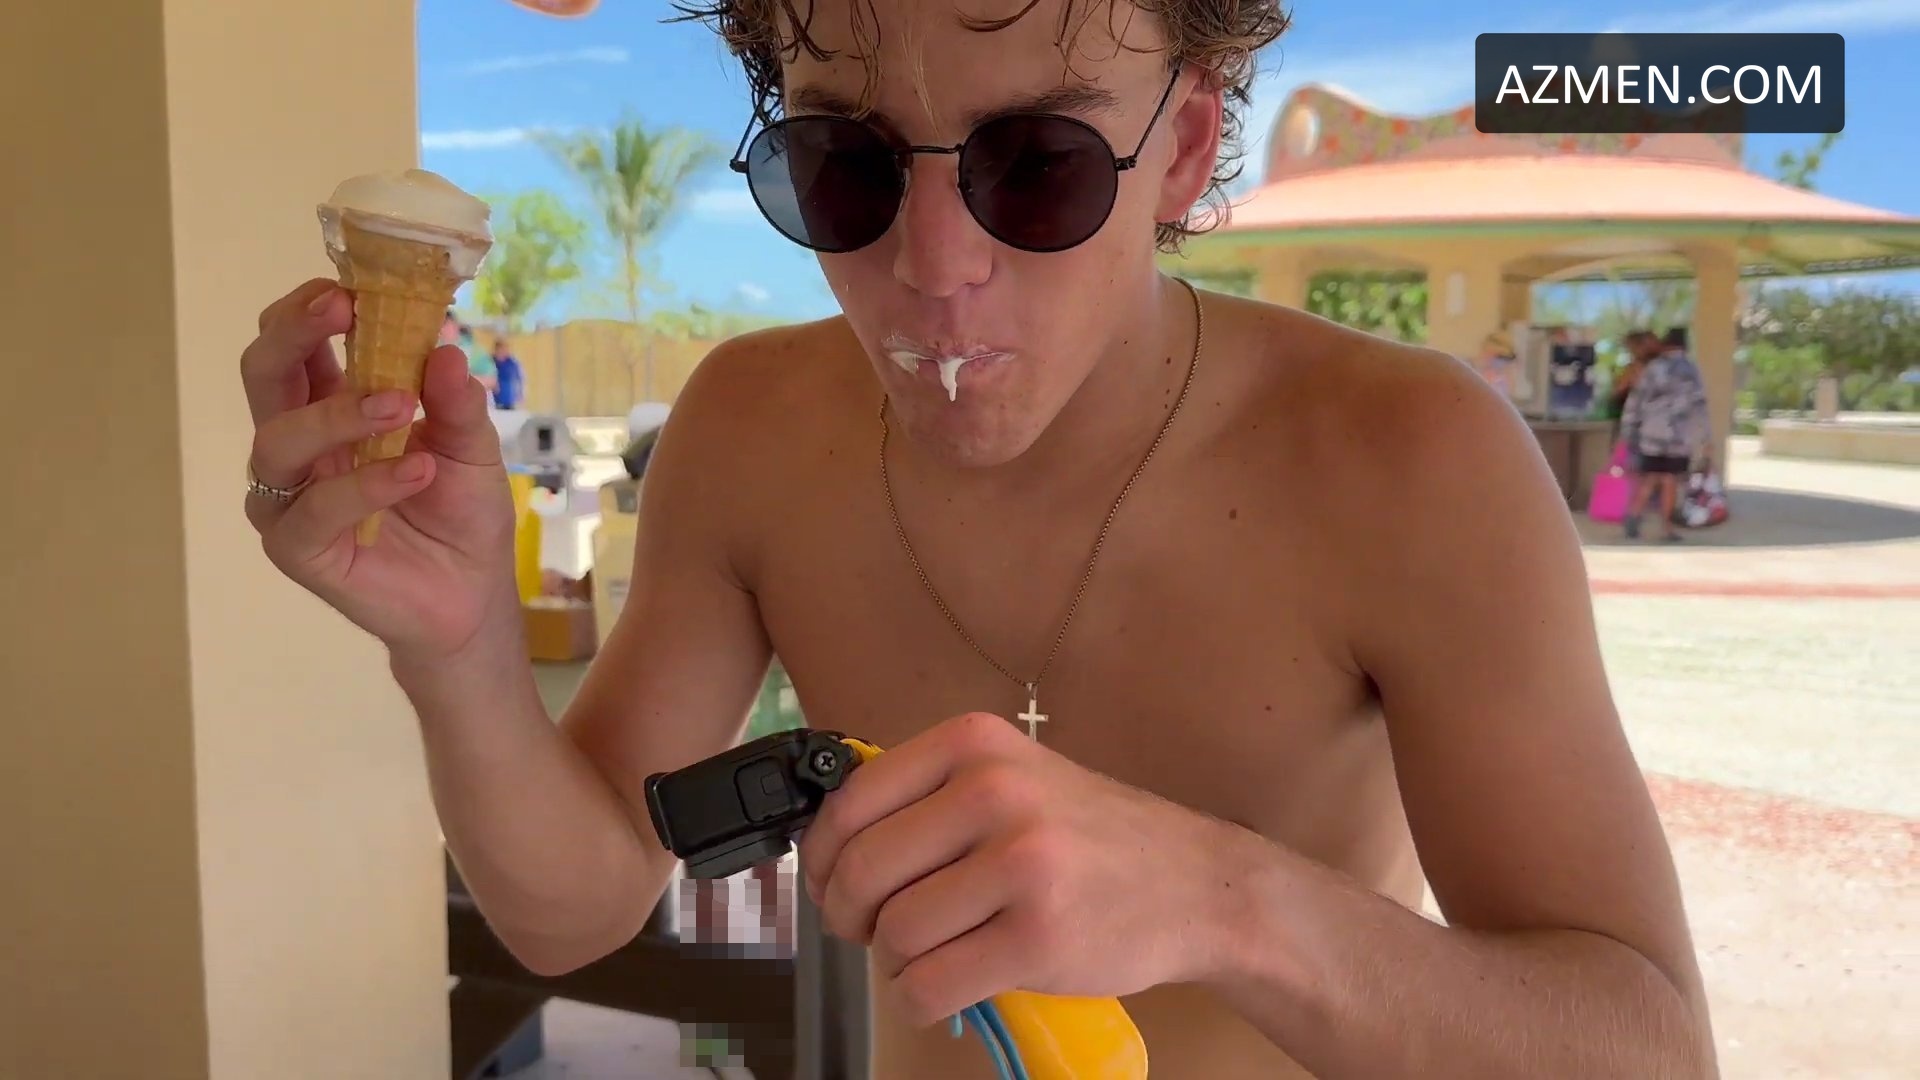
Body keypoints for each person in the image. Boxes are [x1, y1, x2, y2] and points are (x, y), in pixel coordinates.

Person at [236, 0, 1714, 1075]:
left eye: (1039, 164)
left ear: (1184, 149)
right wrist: (459, 654)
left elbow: (1644, 1046)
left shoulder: (1410, 460)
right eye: (845, 164)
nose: (936, 270)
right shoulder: (752, 430)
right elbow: (573, 906)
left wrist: (1227, 901)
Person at [1621, 327, 1711, 543]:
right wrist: (1704, 437)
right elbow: (1699, 406)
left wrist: (1629, 430)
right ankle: (1666, 528)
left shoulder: (1653, 368)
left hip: (1651, 434)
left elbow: (1636, 400)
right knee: (1670, 480)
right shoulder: (1690, 370)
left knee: (1650, 478)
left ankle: (1633, 515)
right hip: (1678, 438)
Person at [490, 337, 524, 411]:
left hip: (510, 401)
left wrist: (520, 394)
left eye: (505, 349)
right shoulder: (490, 362)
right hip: (495, 401)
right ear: (496, 349)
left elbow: (520, 379)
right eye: (501, 349)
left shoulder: (512, 362)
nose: (504, 351)